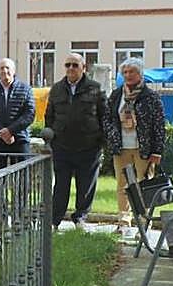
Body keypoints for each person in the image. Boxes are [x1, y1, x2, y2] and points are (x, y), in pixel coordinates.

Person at [45, 53, 108, 231]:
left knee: (86, 186)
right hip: (62, 147)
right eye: (68, 65)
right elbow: (49, 116)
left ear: (83, 68)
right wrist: (52, 138)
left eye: (75, 65)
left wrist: (100, 142)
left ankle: (80, 217)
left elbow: (105, 117)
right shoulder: (56, 89)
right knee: (60, 186)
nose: (71, 68)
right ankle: (54, 221)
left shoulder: (95, 88)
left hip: (88, 147)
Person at [105, 57, 165, 231]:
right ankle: (123, 221)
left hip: (143, 149)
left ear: (140, 74)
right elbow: (107, 119)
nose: (128, 75)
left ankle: (144, 222)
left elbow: (159, 125)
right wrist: (112, 136)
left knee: (144, 185)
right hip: (121, 147)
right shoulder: (116, 95)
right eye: (125, 72)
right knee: (122, 185)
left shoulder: (151, 96)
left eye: (132, 72)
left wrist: (157, 151)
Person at [0, 58, 36, 172]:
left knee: (22, 177)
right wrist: (2, 132)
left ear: (13, 71)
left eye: (7, 68)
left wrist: (10, 130)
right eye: (1, 68)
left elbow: (29, 114)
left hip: (19, 139)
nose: (4, 71)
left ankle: (22, 191)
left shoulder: (25, 89)